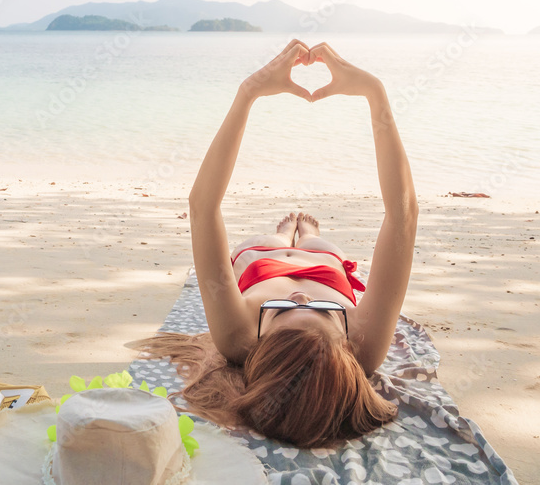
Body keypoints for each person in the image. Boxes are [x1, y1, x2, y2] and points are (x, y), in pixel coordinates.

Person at [133, 39, 418, 448]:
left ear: (262, 349)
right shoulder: (364, 345)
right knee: (319, 243)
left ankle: (285, 235)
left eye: (284, 311)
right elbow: (403, 214)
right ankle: (305, 233)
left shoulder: (237, 337)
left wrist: (248, 93)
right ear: (343, 346)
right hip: (326, 268)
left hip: (258, 264)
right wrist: (375, 93)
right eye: (318, 312)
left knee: (268, 240)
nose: (300, 297)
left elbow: (202, 207)